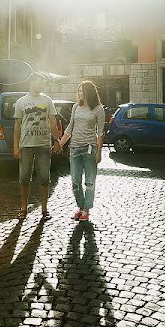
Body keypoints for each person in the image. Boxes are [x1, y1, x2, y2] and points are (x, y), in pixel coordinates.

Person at [14, 73, 61, 221]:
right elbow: (17, 126)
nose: (41, 85)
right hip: (26, 145)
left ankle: (44, 209)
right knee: (24, 178)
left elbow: (52, 122)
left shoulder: (47, 100)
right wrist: (16, 146)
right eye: (39, 82)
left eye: (43, 83)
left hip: (43, 145)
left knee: (44, 178)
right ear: (32, 82)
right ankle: (23, 207)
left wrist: (56, 140)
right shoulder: (21, 102)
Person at [58, 80, 106, 222]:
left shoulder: (98, 109)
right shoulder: (75, 107)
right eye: (78, 90)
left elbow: (100, 133)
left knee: (90, 182)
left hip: (90, 149)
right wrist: (59, 144)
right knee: (75, 182)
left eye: (82, 90)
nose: (79, 93)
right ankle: (80, 207)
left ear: (88, 92)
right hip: (74, 149)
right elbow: (69, 128)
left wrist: (99, 152)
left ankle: (86, 210)